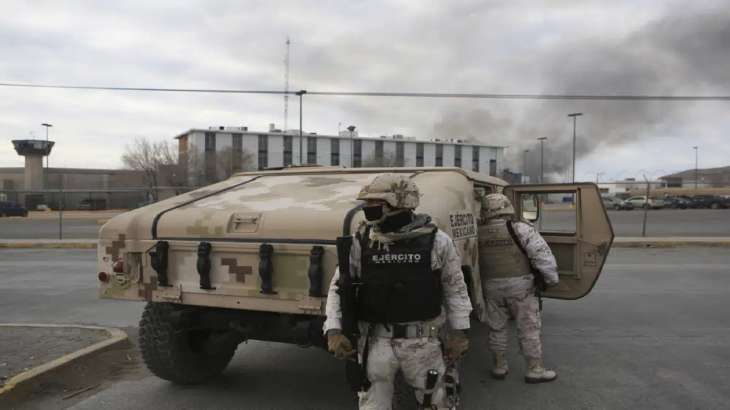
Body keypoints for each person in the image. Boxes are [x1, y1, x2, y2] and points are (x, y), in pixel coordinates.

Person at [324, 173, 473, 410]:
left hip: (423, 343)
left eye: (375, 205)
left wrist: (459, 333)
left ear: (399, 204)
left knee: (436, 402)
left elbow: (455, 288)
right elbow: (338, 288)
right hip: (374, 343)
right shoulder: (361, 242)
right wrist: (333, 329)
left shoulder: (437, 241)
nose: (368, 210)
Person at [478, 193, 559, 383]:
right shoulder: (521, 228)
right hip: (520, 287)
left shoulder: (477, 231)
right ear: (506, 207)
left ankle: (499, 366)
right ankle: (535, 369)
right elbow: (542, 256)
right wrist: (551, 280)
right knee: (528, 328)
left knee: (496, 328)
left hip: (491, 287)